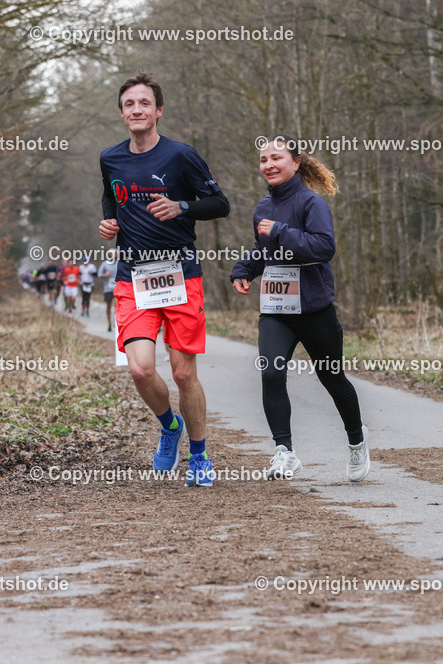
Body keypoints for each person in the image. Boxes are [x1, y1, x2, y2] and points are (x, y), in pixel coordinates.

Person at [98, 71, 230, 487]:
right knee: (139, 370)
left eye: (144, 103)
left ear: (158, 110)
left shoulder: (181, 155)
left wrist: (183, 207)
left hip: (180, 276)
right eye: (129, 104)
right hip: (132, 278)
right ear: (122, 114)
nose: (136, 110)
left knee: (184, 374)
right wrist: (109, 222)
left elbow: (219, 204)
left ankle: (199, 456)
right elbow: (110, 195)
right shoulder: (110, 157)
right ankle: (168, 425)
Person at [230, 134, 370, 482]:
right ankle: (284, 451)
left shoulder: (312, 203)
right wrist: (244, 269)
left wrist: (280, 230)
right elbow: (266, 251)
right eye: (264, 159)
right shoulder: (263, 207)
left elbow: (323, 248)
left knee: (331, 378)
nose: (269, 165)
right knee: (271, 372)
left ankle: (357, 441)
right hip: (277, 308)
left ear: (295, 162)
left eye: (276, 158)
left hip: (314, 308)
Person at [98, 249, 118, 331]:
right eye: (112, 254)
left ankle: (116, 323)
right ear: (109, 255)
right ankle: (109, 323)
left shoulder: (119, 263)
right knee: (108, 307)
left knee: (118, 306)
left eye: (115, 254)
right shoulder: (105, 264)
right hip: (108, 288)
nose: (114, 255)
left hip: (117, 288)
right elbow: (99, 274)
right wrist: (105, 275)